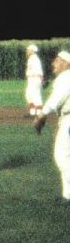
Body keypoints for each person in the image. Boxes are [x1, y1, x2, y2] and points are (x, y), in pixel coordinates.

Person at [36, 50, 70, 203]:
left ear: (66, 63)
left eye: (57, 60)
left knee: (62, 156)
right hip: (66, 119)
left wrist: (42, 115)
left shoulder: (65, 77)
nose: (53, 63)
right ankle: (67, 195)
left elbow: (55, 99)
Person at [25, 44, 45, 118]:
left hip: (35, 78)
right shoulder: (31, 58)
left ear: (33, 51)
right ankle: (32, 113)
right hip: (31, 79)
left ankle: (39, 113)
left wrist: (42, 79)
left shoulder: (35, 59)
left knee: (36, 96)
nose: (27, 51)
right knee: (28, 95)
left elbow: (39, 70)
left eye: (28, 50)